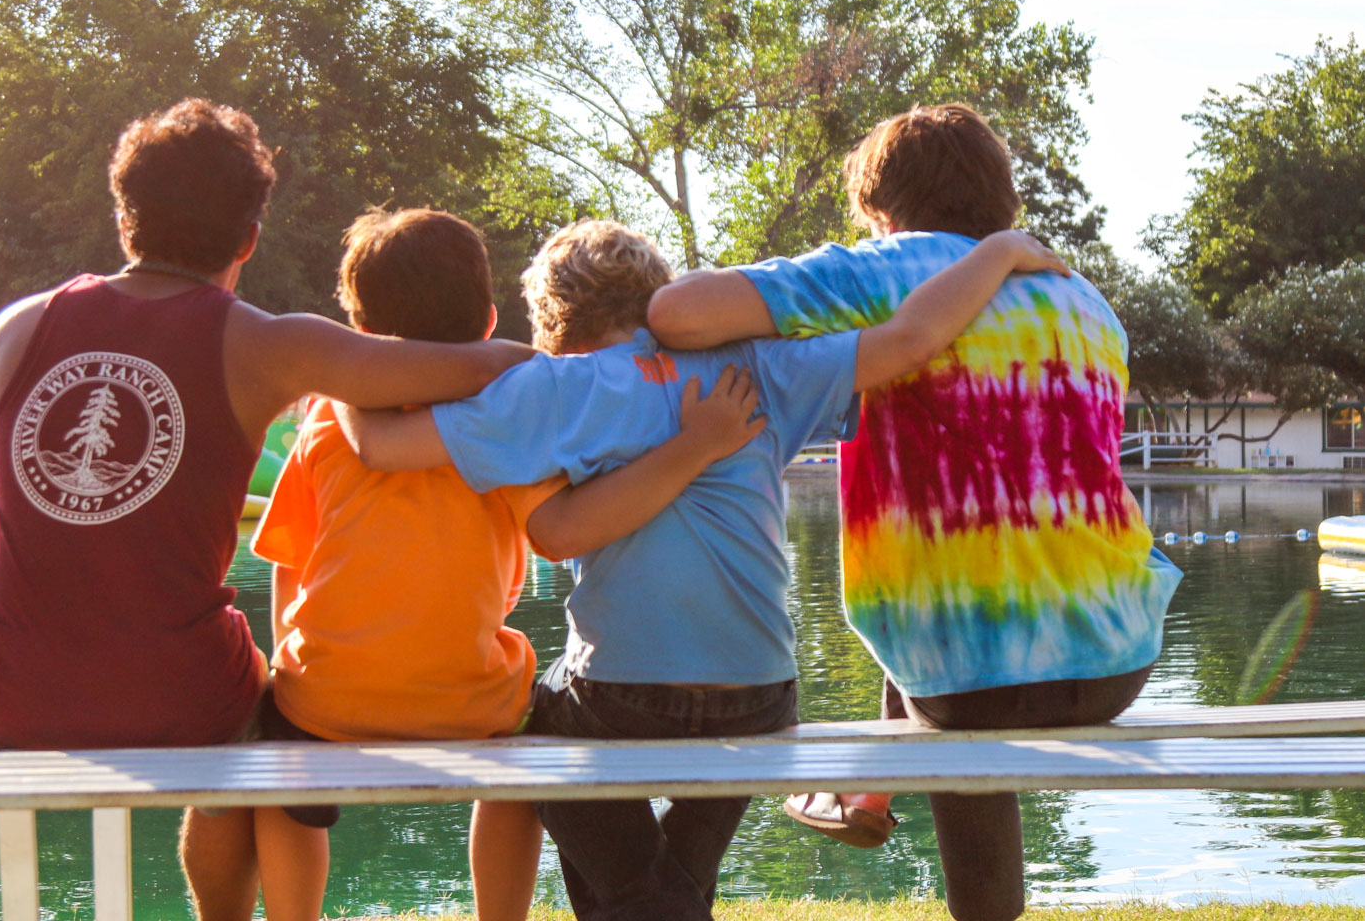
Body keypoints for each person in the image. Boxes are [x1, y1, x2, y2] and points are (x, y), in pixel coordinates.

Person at [0, 99, 536, 921]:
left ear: (125, 217)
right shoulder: (270, 346)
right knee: (255, 714)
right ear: (249, 236)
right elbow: (441, 369)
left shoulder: (18, 328)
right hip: (183, 699)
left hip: (10, 692)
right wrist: (539, 361)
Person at [341, 217, 1067, 921]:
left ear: (554, 323)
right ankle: (663, 898)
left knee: (534, 723)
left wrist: (339, 365)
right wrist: (997, 253)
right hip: (760, 696)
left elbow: (380, 445)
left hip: (624, 699)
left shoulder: (560, 388)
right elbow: (911, 338)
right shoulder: (756, 366)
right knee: (652, 868)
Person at [645, 103, 1184, 921]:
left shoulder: (885, 270)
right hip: (1119, 655)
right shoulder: (1085, 303)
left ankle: (876, 805)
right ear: (997, 199)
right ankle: (864, 794)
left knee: (952, 641)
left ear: (883, 209)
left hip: (968, 679)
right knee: (962, 602)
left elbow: (674, 314)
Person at [233, 206, 766, 921]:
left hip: (323, 701)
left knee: (284, 780)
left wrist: (295, 679)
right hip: (469, 699)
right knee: (532, 747)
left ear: (360, 332)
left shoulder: (328, 420)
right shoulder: (512, 414)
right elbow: (556, 531)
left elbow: (288, 564)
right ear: (489, 321)